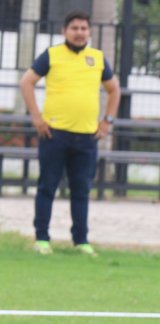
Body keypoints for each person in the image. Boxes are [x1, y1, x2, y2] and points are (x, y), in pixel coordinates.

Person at [18, 10, 121, 257]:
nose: (79, 33)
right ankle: (42, 239)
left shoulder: (96, 58)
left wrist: (107, 121)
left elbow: (114, 89)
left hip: (87, 137)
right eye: (74, 28)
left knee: (81, 190)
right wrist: (36, 116)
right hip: (55, 135)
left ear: (89, 32)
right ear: (65, 31)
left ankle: (81, 241)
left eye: (84, 28)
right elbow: (26, 82)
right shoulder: (52, 55)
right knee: (47, 187)